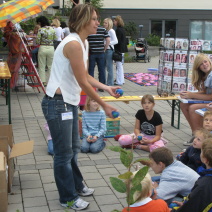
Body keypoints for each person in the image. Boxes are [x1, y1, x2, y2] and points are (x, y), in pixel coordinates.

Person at [41, 4, 120, 210]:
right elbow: (83, 83)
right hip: (58, 104)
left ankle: (76, 185)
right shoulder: (73, 44)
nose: (97, 22)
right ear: (83, 20)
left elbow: (85, 76)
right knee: (63, 154)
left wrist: (107, 87)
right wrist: (104, 105)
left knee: (74, 149)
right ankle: (67, 197)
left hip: (70, 102)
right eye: (94, 19)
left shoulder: (82, 43)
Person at [171, 139, 212, 212]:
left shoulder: (203, 185)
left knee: (166, 202)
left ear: (205, 160)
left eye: (201, 152)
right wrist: (185, 203)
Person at [180, 53, 212, 140]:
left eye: (205, 62)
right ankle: (195, 133)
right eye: (201, 64)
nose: (204, 65)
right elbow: (205, 92)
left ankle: (198, 137)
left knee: (193, 108)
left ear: (209, 61)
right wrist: (188, 94)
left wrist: (192, 95)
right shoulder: (205, 75)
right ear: (198, 67)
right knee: (183, 104)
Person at [88, 22, 110, 89]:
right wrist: (105, 48)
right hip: (101, 52)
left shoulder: (89, 29)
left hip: (92, 52)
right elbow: (108, 39)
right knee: (101, 70)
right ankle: (102, 86)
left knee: (91, 70)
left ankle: (90, 86)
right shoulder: (103, 29)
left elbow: (85, 40)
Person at [36, 16, 56, 87]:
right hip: (51, 48)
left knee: (42, 65)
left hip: (42, 47)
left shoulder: (40, 30)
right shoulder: (52, 29)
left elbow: (37, 41)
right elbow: (55, 38)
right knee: (50, 66)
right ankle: (52, 81)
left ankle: (43, 81)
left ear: (40, 22)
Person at [113, 15, 128, 86]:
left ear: (117, 22)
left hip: (119, 49)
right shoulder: (122, 29)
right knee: (120, 65)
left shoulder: (118, 30)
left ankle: (119, 81)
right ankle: (121, 80)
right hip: (122, 49)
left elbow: (117, 41)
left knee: (119, 66)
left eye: (115, 21)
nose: (114, 22)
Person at [103, 18, 118, 86]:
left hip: (109, 50)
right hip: (105, 50)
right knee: (104, 67)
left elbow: (116, 41)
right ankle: (105, 82)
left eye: (106, 23)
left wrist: (107, 43)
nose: (104, 24)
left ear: (109, 23)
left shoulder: (111, 31)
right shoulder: (105, 30)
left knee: (109, 67)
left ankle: (110, 83)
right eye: (104, 23)